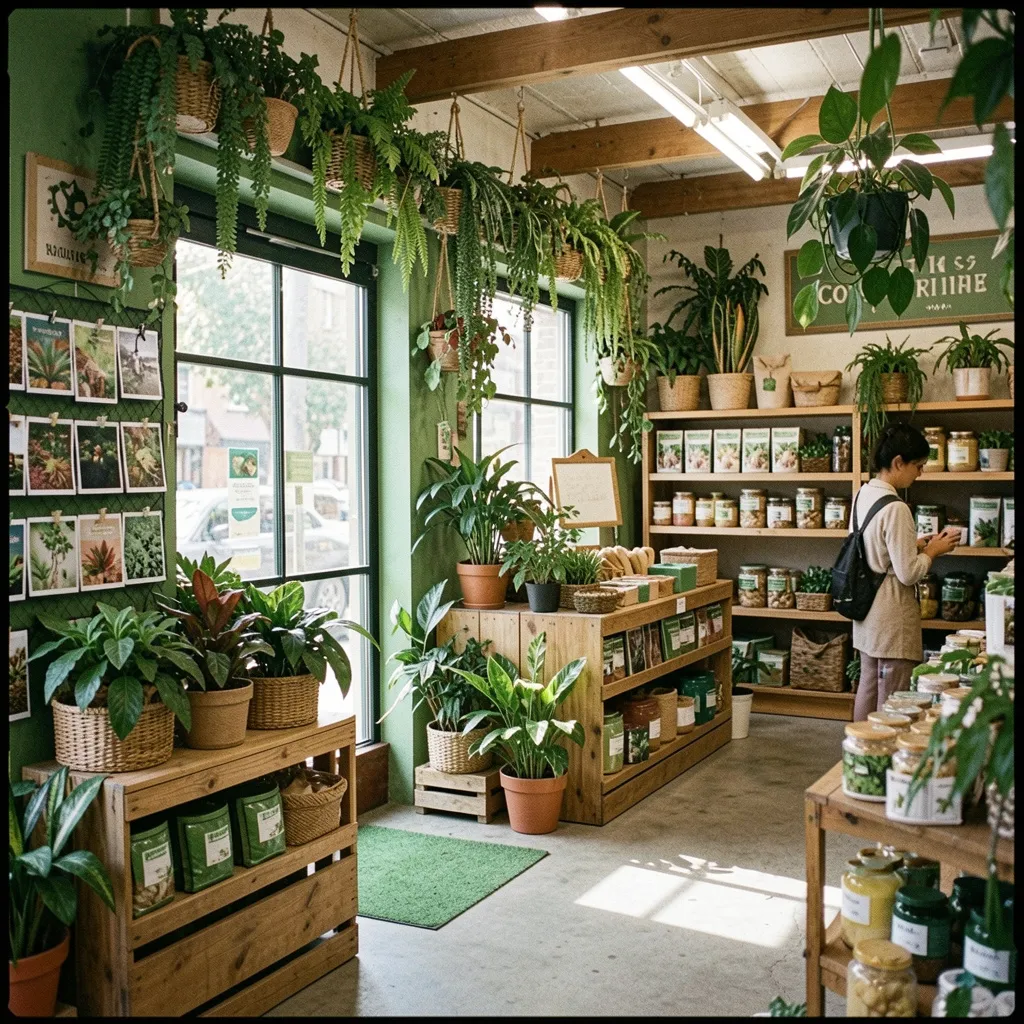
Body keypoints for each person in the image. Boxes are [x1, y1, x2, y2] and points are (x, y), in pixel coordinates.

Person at [852, 423, 960, 721]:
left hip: (867, 609)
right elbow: (908, 574)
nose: (920, 473)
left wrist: (914, 543)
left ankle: (859, 749)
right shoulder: (897, 508)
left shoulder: (864, 494)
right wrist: (933, 552)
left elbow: (874, 546)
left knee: (869, 684)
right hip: (891, 614)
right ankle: (884, 757)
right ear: (898, 462)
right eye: (918, 465)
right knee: (894, 697)